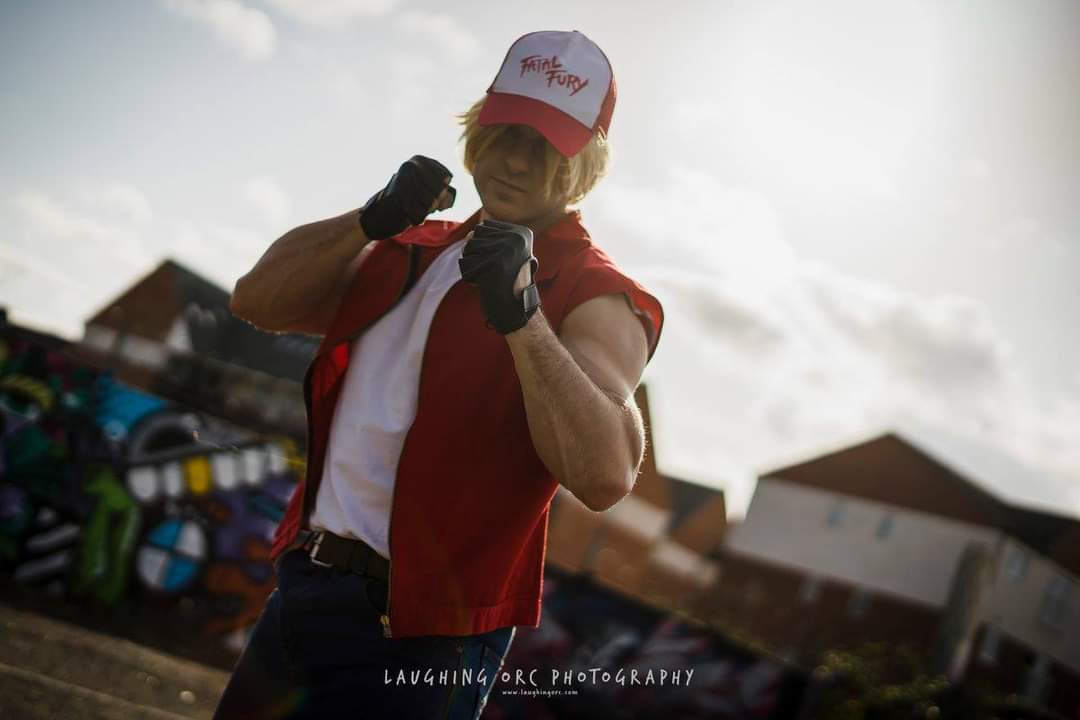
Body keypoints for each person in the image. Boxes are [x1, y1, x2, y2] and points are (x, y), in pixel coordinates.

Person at [216, 30, 664, 719]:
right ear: (477, 127)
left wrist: (523, 317)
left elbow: (605, 473)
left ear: (584, 164)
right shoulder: (412, 245)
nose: (514, 157)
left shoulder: (597, 292)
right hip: (305, 589)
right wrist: (367, 220)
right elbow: (257, 300)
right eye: (505, 129)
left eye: (544, 143)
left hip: (427, 641)